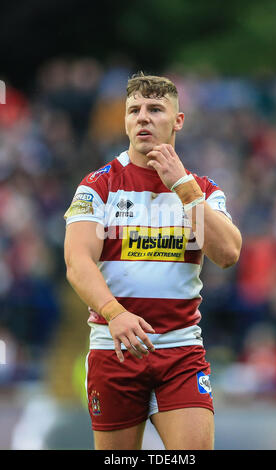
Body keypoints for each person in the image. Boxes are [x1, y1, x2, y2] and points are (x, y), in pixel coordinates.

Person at [63, 72, 242, 450]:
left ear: (178, 121)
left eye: (155, 109)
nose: (142, 117)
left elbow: (227, 254)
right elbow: (77, 262)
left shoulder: (202, 189)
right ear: (126, 120)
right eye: (134, 110)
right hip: (116, 350)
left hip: (180, 350)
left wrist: (183, 186)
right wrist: (115, 313)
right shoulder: (99, 185)